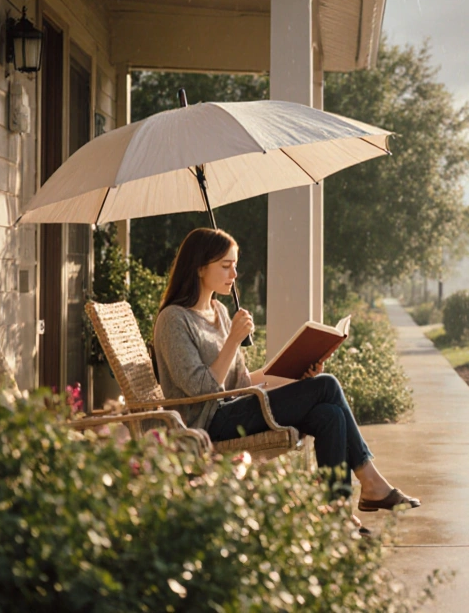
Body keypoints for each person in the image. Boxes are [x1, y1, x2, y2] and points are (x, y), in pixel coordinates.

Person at [152, 228, 419, 532]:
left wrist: (295, 373)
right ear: (200, 267)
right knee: (328, 386)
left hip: (234, 408)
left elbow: (239, 382)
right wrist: (233, 342)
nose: (234, 274)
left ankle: (338, 516)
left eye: (235, 264)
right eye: (225, 266)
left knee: (327, 412)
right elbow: (202, 389)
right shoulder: (174, 319)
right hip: (205, 423)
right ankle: (370, 480)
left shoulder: (220, 311)